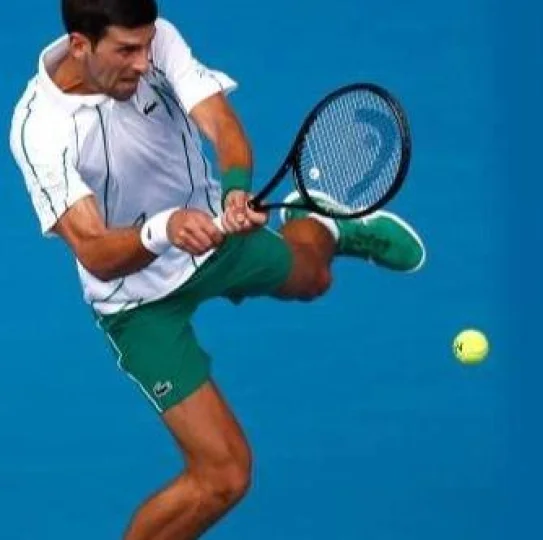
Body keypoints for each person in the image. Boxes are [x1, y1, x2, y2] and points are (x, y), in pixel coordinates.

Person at [8, 0, 426, 538]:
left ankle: (321, 224)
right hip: (137, 303)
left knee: (314, 279)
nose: (143, 62)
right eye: (127, 51)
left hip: (214, 238)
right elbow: (93, 250)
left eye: (146, 45)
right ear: (79, 45)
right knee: (224, 475)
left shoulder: (157, 41)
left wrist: (233, 191)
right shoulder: (40, 129)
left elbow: (221, 125)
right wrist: (164, 229)